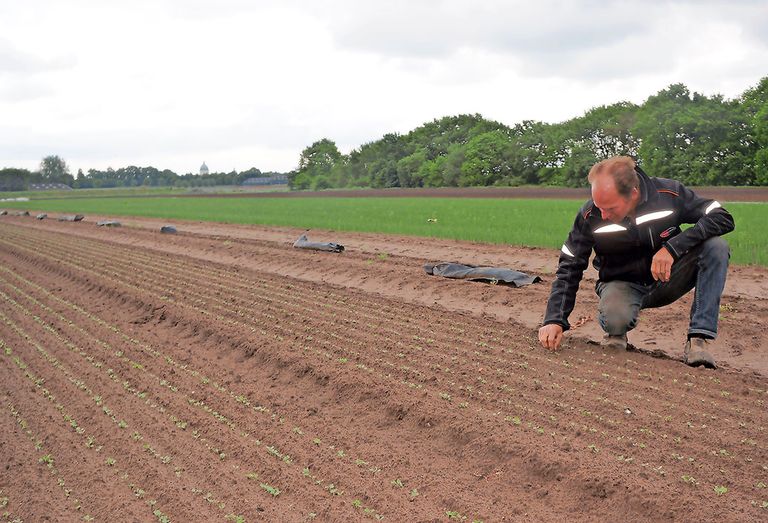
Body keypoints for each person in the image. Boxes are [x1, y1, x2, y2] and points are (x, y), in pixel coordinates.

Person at [538, 156, 734, 368]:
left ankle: (698, 341)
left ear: (633, 193)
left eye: (611, 208)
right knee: (615, 318)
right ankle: (616, 332)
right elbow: (570, 264)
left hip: (667, 278)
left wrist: (672, 248)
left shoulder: (668, 194)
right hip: (621, 284)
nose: (603, 215)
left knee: (716, 247)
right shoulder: (590, 214)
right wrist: (554, 319)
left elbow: (722, 217)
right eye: (599, 206)